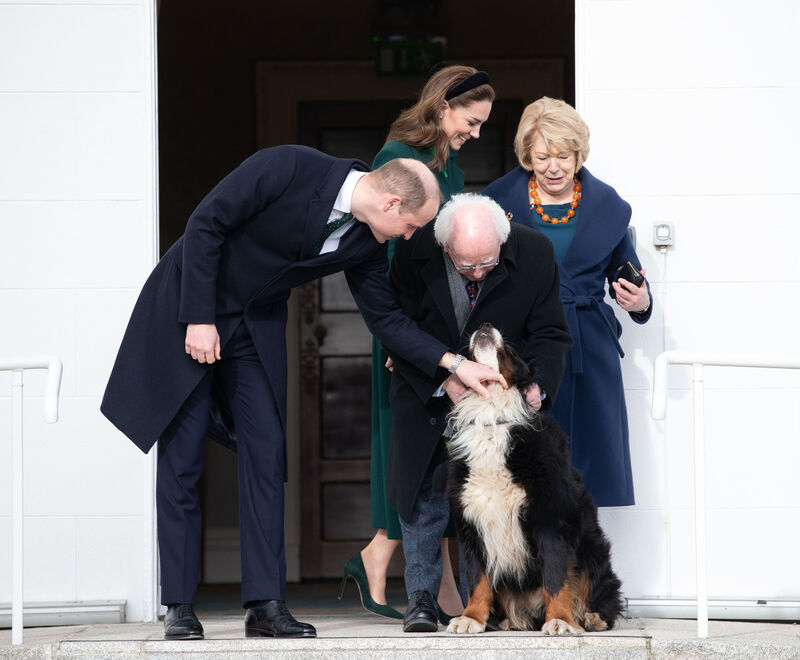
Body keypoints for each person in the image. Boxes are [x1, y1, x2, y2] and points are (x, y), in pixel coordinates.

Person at [100, 145, 507, 641]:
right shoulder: (288, 166)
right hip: (190, 308)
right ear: (393, 205)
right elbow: (206, 223)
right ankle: (180, 605)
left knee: (267, 454)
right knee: (183, 457)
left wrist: (456, 363)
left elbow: (386, 319)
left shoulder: (367, 241)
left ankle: (265, 606)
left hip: (255, 325)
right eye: (412, 226)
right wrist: (200, 318)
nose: (411, 236)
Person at [341, 66, 495, 622]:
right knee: (407, 457)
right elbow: (386, 251)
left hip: (436, 333)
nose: (475, 132)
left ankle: (388, 562)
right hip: (406, 331)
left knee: (438, 460)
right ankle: (389, 564)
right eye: (471, 121)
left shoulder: (446, 161)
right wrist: (397, 332)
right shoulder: (398, 155)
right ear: (443, 106)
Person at [385, 193, 573, 632]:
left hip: (500, 405)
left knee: (493, 504)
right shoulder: (414, 249)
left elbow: (550, 332)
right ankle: (421, 600)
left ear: (502, 242)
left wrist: (537, 386)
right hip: (426, 386)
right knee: (422, 497)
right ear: (445, 246)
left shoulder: (534, 252)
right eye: (466, 266)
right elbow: (395, 325)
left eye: (487, 262)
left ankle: (483, 607)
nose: (478, 273)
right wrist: (444, 376)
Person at [483, 97, 653, 507]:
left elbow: (629, 275)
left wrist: (641, 301)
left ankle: (579, 570)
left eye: (563, 155)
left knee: (587, 478)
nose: (553, 166)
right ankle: (534, 571)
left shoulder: (607, 207)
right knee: (523, 479)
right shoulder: (496, 203)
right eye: (542, 156)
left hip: (589, 350)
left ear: (579, 155)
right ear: (527, 155)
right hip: (525, 351)